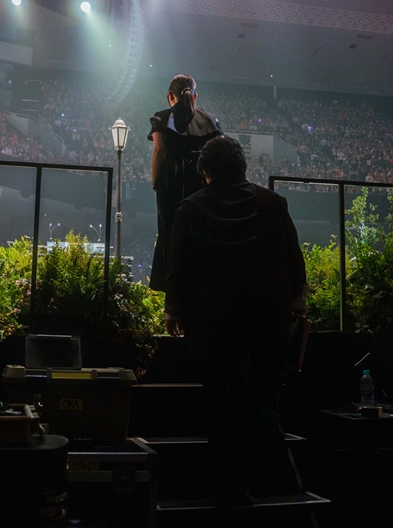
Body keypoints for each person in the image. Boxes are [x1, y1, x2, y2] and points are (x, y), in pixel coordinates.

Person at [163, 137, 307, 502]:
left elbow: (178, 268)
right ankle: (279, 488)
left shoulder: (190, 209)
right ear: (242, 167)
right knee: (262, 402)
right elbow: (294, 257)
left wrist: (174, 309)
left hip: (214, 329)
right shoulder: (271, 203)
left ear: (205, 171)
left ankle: (229, 491)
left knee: (220, 409)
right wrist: (297, 301)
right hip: (266, 327)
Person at [147, 74, 222, 291]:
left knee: (169, 230)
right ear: (194, 96)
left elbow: (159, 151)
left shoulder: (161, 118)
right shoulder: (210, 120)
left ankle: (170, 286)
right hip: (201, 180)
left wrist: (156, 181)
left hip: (171, 179)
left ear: (170, 96)